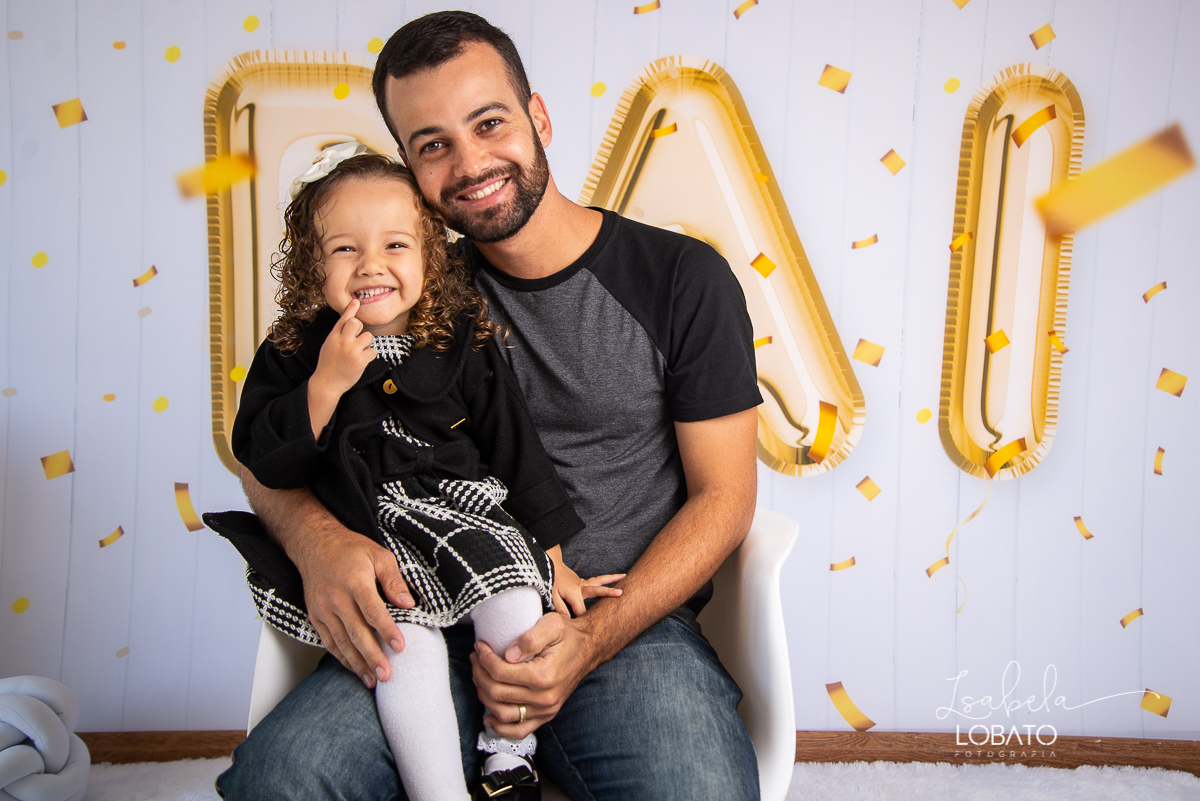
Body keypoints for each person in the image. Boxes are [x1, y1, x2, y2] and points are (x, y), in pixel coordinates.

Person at [217, 10, 763, 800]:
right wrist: (319, 543)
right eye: (432, 144)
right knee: (282, 779)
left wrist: (592, 638)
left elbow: (726, 495)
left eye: (489, 123)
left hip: (622, 627)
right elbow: (264, 450)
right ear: (408, 166)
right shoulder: (394, 287)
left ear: (539, 117)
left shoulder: (681, 278)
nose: (470, 162)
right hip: (427, 614)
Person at [215, 147, 622, 801]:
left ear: (430, 255)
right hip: (372, 538)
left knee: (516, 597)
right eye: (344, 249)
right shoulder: (295, 349)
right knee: (402, 653)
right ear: (312, 265)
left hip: (462, 518)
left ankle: (508, 754)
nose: (371, 265)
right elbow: (264, 460)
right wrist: (324, 387)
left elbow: (515, 448)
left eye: (395, 245)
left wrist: (550, 561)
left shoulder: (461, 337)